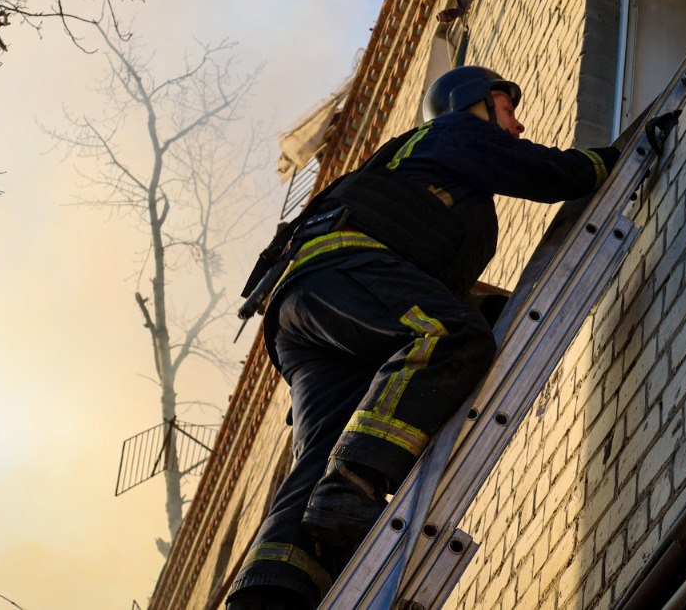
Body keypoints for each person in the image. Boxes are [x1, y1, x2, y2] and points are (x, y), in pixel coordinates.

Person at [227, 66, 620, 610]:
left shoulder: (425, 182)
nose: (519, 123)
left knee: (322, 451)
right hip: (341, 273)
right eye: (508, 108)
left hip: (309, 311)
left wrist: (493, 305)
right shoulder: (450, 133)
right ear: (474, 103)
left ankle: (272, 594)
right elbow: (543, 172)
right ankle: (356, 484)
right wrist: (610, 158)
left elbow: (424, 279)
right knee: (450, 336)